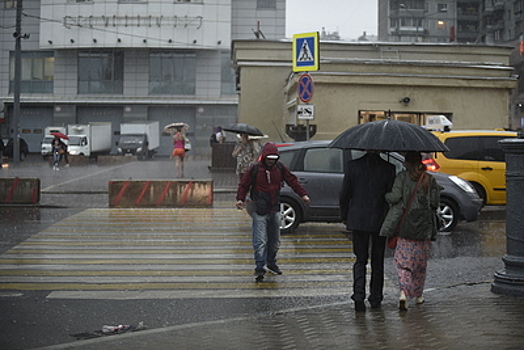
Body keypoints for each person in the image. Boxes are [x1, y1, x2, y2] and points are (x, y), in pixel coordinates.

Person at [236, 142, 310, 282]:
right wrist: (240, 198)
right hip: (260, 209)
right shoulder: (255, 169)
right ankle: (259, 268)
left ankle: (271, 263)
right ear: (264, 157)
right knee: (260, 241)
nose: (271, 161)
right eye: (269, 158)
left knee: (275, 241)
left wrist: (302, 195)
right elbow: (244, 184)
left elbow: (292, 181)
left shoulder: (280, 168)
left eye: (273, 158)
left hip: (275, 208)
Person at [381, 151, 441, 311]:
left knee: (403, 264)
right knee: (420, 265)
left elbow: (394, 197)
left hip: (405, 227)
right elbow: (435, 203)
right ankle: (419, 295)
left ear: (407, 163)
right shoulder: (429, 179)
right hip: (424, 228)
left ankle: (403, 293)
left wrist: (385, 195)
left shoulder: (401, 177)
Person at [339, 151, 396, 312]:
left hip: (358, 219)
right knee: (377, 261)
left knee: (360, 259)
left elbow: (344, 194)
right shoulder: (388, 168)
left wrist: (344, 215)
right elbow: (391, 196)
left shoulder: (353, 166)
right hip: (379, 219)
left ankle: (358, 296)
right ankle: (375, 297)